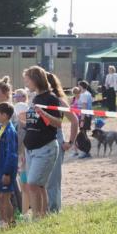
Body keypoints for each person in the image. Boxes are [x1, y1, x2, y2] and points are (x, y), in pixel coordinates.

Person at [22, 66, 63, 219]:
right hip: (31, 149)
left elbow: (58, 123)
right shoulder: (35, 98)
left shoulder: (51, 98)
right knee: (37, 185)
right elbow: (34, 124)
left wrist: (44, 113)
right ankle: (42, 216)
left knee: (32, 183)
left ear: (35, 79)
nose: (26, 83)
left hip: (45, 147)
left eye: (27, 80)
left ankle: (37, 217)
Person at [44, 72, 77, 213]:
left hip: (56, 140)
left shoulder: (58, 100)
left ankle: (54, 211)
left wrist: (70, 142)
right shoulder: (39, 99)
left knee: (53, 181)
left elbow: (74, 120)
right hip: (42, 142)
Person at [0, 102, 18, 227]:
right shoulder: (0, 128)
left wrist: (7, 173)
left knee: (5, 196)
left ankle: (10, 222)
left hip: (6, 168)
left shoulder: (10, 131)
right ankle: (3, 219)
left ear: (4, 115)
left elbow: (12, 153)